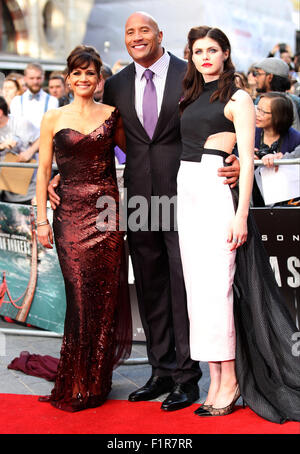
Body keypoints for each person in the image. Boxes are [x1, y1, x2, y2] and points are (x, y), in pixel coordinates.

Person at [48, 12, 240, 412]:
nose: (137, 37)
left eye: (144, 31)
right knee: (151, 283)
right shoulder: (115, 85)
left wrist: (237, 156)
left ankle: (188, 378)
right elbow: (94, 139)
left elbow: (219, 117)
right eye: (130, 32)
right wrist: (57, 177)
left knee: (182, 284)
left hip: (186, 195)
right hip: (138, 199)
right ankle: (161, 370)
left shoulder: (191, 74)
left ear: (160, 35)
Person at [177, 25, 300, 423]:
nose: (205, 57)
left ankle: (229, 382)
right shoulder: (192, 95)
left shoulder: (239, 96)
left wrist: (241, 214)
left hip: (216, 196)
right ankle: (214, 380)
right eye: (198, 51)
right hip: (187, 194)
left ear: (226, 53)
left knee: (217, 293)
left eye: (212, 50)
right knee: (198, 294)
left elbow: (247, 159)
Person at [34, 45, 132, 412]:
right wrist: (41, 218)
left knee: (103, 299)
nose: (83, 79)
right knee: (79, 299)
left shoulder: (113, 114)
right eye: (77, 73)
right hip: (70, 217)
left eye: (90, 73)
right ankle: (76, 378)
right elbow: (43, 171)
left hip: (107, 215)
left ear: (99, 78)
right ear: (68, 78)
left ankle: (96, 382)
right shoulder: (53, 118)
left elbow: (138, 154)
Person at [253, 92, 300, 206]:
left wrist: (283, 159)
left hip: (286, 203)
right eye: (257, 109)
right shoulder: (251, 134)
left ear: (278, 116)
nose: (257, 114)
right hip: (255, 199)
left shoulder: (295, 138)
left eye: (263, 112)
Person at [0, 96, 40, 204]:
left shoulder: (21, 123)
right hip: (5, 189)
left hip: (29, 188)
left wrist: (29, 152)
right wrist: (2, 146)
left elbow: (43, 138)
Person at [253, 57, 300, 131]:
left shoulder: (294, 102)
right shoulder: (259, 100)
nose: (255, 78)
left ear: (270, 77)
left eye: (258, 73)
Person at [10, 62, 59, 130]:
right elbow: (15, 128)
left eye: (38, 78)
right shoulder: (16, 101)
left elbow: (51, 128)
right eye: (32, 78)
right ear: (25, 79)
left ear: (43, 78)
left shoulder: (52, 101)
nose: (35, 82)